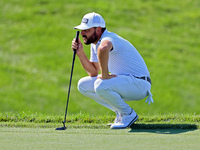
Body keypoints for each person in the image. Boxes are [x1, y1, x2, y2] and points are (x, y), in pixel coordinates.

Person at [71, 12, 154, 129]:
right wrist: (80, 53)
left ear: (98, 29)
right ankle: (121, 112)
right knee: (83, 85)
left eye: (86, 30)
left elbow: (104, 47)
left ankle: (128, 114)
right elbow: (94, 72)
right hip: (125, 82)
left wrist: (105, 75)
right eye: (82, 30)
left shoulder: (108, 39)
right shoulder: (95, 44)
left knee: (101, 84)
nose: (82, 33)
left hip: (140, 84)